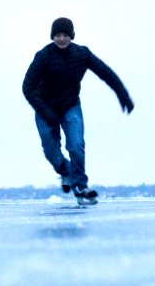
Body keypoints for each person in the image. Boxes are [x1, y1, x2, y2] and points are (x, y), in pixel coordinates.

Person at [22, 17, 134, 205]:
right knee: (51, 150)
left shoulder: (81, 54)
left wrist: (122, 94)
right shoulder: (43, 56)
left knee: (76, 144)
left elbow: (105, 73)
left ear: (71, 36)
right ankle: (66, 171)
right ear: (52, 37)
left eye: (65, 35)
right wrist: (46, 112)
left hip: (70, 106)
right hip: (45, 107)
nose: (61, 39)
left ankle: (81, 185)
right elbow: (27, 87)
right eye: (57, 35)